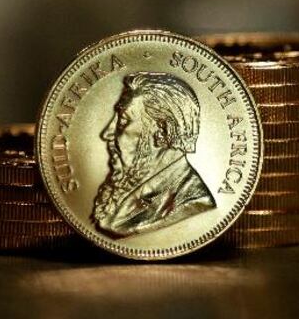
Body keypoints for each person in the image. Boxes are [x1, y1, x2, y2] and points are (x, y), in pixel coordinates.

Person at [91, 72, 216, 238]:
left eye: (122, 122)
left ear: (163, 132)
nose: (107, 133)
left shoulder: (191, 201)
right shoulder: (128, 188)